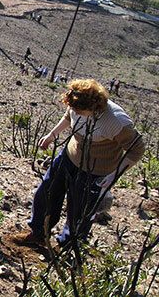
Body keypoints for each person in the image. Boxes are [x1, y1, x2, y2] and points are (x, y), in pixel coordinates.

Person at [10, 79, 145, 248]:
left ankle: (66, 247)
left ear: (93, 107)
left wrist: (113, 175)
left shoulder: (115, 121)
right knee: (46, 193)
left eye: (79, 110)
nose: (74, 112)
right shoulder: (76, 103)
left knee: (79, 212)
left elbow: (137, 149)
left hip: (96, 170)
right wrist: (52, 135)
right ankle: (38, 233)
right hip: (69, 157)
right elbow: (68, 116)